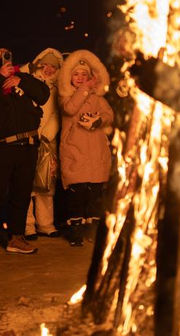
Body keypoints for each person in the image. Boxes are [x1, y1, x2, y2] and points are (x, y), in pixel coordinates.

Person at [0, 47, 50, 260]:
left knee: (21, 194)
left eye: (6, 58)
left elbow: (44, 95)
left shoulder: (22, 77)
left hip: (28, 145)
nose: (4, 63)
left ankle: (16, 238)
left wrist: (20, 81)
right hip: (1, 147)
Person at [58, 49, 113, 246]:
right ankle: (75, 232)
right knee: (77, 195)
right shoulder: (66, 96)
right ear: (69, 78)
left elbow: (109, 114)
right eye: (76, 74)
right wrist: (85, 90)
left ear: (91, 77)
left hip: (97, 153)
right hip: (75, 153)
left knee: (95, 195)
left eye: (84, 74)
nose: (80, 78)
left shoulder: (98, 98)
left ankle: (92, 231)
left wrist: (99, 120)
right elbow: (70, 108)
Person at [21, 49, 63, 240]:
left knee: (46, 184)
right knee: (26, 185)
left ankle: (46, 223)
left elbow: (58, 112)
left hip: (48, 141)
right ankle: (27, 225)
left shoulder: (58, 88)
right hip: (28, 139)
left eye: (52, 66)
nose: (48, 69)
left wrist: (47, 133)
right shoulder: (28, 83)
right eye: (45, 65)